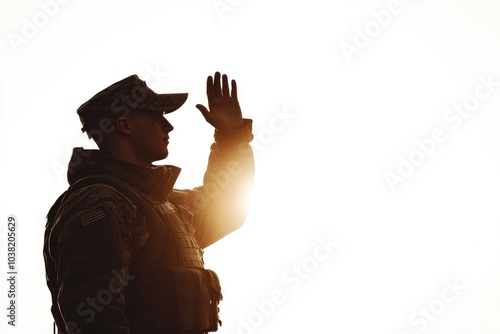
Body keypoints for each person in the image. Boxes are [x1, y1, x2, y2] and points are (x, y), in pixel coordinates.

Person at [43, 72, 254, 334]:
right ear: (125, 125)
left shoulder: (162, 205)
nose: (169, 127)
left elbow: (225, 208)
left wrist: (231, 135)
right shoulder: (99, 202)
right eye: (157, 117)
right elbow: (96, 319)